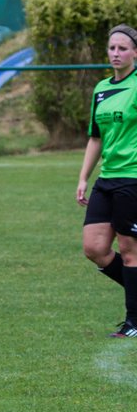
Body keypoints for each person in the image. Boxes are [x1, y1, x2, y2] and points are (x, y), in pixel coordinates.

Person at [77, 23, 137, 338]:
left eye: (123, 48)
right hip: (107, 178)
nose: (116, 53)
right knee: (94, 248)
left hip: (133, 179)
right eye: (112, 48)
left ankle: (133, 322)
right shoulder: (101, 89)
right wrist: (84, 177)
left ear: (135, 53)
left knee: (130, 249)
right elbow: (95, 138)